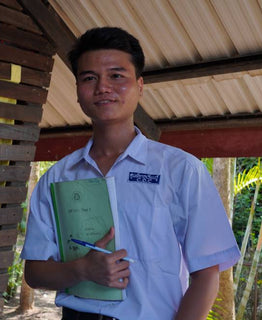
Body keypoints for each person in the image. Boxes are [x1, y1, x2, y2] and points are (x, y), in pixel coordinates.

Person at [21, 27, 240, 320]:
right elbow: (34, 272)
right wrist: (82, 269)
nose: (103, 87)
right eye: (89, 78)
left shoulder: (180, 170)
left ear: (140, 85)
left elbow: (206, 275)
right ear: (77, 92)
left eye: (116, 76)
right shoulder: (58, 177)